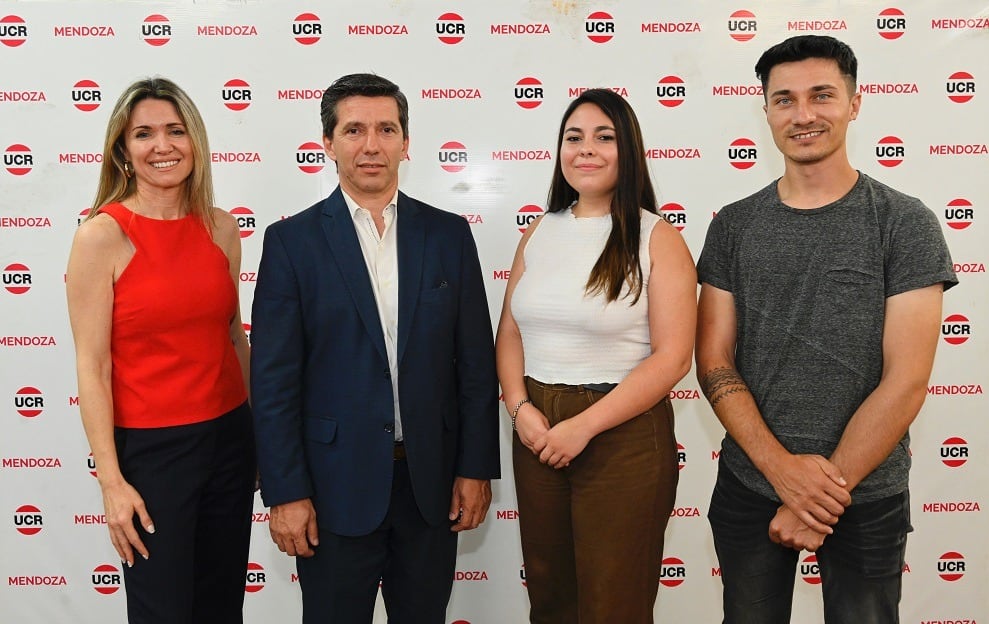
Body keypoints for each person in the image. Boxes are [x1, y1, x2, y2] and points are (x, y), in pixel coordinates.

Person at [696, 35, 957, 623]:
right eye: (784, 99)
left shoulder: (904, 222)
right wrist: (782, 472)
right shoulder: (733, 227)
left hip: (868, 494)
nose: (804, 114)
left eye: (822, 95)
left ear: (855, 103)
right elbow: (713, 360)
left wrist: (816, 495)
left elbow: (908, 380)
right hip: (751, 485)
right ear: (764, 110)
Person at [250, 73, 500, 624]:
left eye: (386, 129)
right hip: (331, 490)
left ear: (406, 143)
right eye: (354, 130)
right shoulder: (290, 243)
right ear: (328, 143)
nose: (371, 145)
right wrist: (285, 493)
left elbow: (476, 367)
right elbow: (272, 384)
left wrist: (475, 467)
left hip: (430, 487)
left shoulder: (449, 236)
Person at [496, 88, 697, 623]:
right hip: (536, 428)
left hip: (622, 434)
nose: (586, 150)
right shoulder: (540, 230)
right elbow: (510, 332)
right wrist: (520, 410)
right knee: (550, 595)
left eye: (604, 137)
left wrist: (582, 428)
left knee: (614, 604)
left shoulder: (657, 237)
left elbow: (674, 357)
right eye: (574, 137)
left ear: (627, 149)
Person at [66, 77, 255, 622]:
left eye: (175, 130)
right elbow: (92, 365)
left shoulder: (221, 228)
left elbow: (232, 335)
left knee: (222, 607)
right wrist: (112, 482)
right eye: (143, 134)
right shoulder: (101, 236)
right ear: (123, 150)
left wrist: (256, 435)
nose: (162, 145)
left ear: (195, 141)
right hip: (151, 456)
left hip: (229, 442)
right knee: (163, 611)